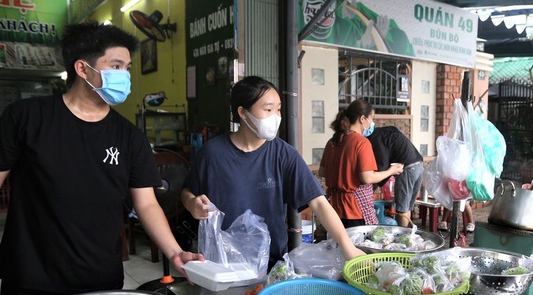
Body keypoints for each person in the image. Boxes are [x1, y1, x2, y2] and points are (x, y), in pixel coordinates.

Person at [0, 21, 202, 295]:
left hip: (100, 277)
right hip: (31, 276)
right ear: (82, 69)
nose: (124, 75)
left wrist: (175, 251)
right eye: (115, 65)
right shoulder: (26, 118)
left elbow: (147, 203)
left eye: (127, 67)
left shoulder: (129, 137)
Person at [181, 76, 364, 266]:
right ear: (243, 112)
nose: (275, 117)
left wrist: (347, 246)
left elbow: (318, 202)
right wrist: (192, 204)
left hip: (271, 264)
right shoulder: (213, 153)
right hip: (221, 264)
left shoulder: (284, 154)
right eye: (268, 110)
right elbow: (187, 192)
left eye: (278, 110)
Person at [318, 99, 403, 227]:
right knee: (357, 246)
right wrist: (391, 171)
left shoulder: (333, 141)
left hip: (333, 207)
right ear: (362, 119)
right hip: (354, 209)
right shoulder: (361, 143)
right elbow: (367, 177)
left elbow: (322, 172)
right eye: (372, 118)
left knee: (337, 245)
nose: (372, 123)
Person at [367, 125, 424, 227]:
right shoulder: (386, 131)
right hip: (418, 166)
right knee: (407, 208)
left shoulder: (376, 138)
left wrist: (375, 185)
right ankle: (406, 235)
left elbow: (383, 165)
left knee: (402, 209)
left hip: (407, 168)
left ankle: (401, 237)